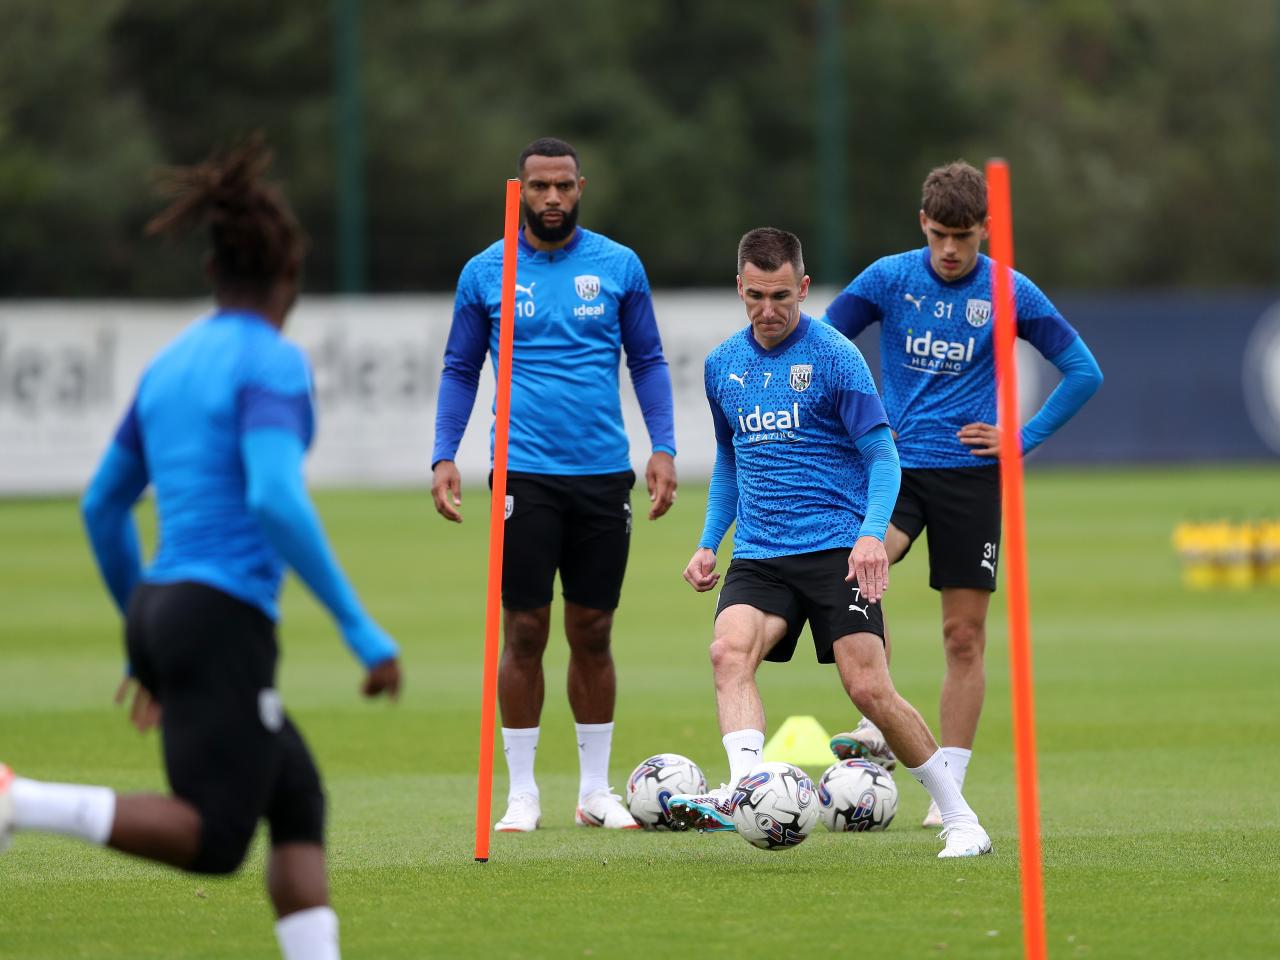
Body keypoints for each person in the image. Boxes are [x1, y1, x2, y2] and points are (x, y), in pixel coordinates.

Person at [0, 137, 401, 960]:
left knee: (295, 796)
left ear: (214, 273)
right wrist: (361, 630)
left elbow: (102, 506)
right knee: (217, 838)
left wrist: (143, 634)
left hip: (163, 604)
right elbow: (274, 497)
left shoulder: (169, 363)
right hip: (219, 613)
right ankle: (20, 802)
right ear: (287, 278)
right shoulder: (273, 364)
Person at [669, 227, 992, 858]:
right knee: (727, 654)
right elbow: (730, 462)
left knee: (868, 687)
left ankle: (961, 819)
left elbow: (883, 456)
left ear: (805, 288)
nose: (768, 311)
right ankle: (744, 792)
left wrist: (871, 537)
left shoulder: (836, 357)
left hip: (832, 551)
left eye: (782, 297)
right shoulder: (721, 367)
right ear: (740, 287)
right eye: (756, 296)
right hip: (760, 555)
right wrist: (710, 542)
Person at [822, 160, 1103, 827]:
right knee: (859, 573)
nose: (950, 250)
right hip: (896, 468)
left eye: (964, 237)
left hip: (970, 479)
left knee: (963, 636)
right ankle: (877, 720)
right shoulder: (891, 277)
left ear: (985, 230)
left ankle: (949, 775)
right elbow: (825, 341)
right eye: (941, 235)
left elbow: (1083, 371)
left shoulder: (1008, 291)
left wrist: (1022, 438)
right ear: (923, 223)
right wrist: (852, 424)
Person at [431, 137, 677, 832]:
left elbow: (648, 360)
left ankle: (595, 791)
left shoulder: (618, 266)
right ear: (520, 189)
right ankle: (523, 794)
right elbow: (459, 369)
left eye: (563, 186)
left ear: (580, 187)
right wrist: (443, 454)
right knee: (527, 628)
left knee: (593, 629)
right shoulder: (487, 272)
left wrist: (663, 447)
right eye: (538, 187)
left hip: (603, 473)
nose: (551, 199)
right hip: (522, 473)